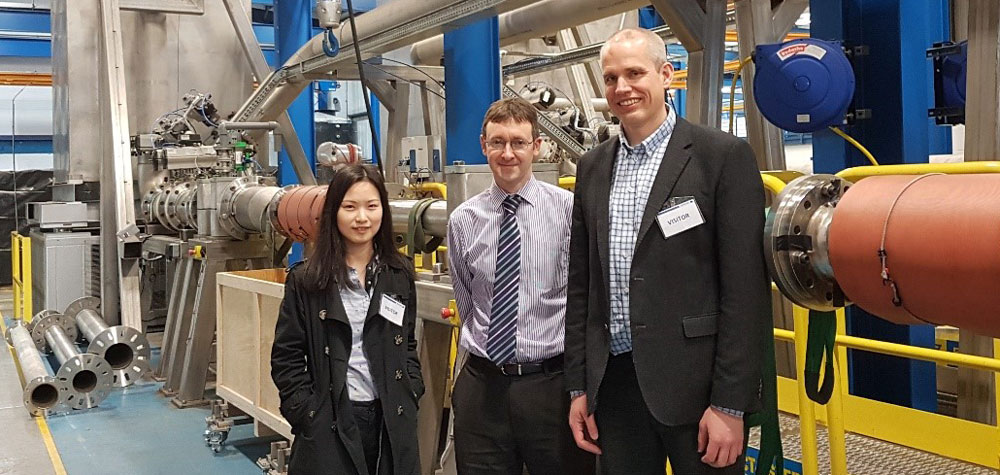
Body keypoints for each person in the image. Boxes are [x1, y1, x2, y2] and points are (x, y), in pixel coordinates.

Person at [565, 28, 770, 474]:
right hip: (614, 387)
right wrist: (578, 386)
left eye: (635, 73)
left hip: (697, 391)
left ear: (666, 75)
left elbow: (746, 292)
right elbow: (581, 286)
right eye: (611, 78)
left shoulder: (721, 157)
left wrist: (730, 405)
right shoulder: (593, 166)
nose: (622, 88)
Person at [447, 97, 595, 474]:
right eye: (497, 142)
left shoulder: (568, 211)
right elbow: (469, 305)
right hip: (483, 388)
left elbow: (582, 297)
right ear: (484, 146)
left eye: (518, 142)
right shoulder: (464, 220)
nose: (507, 153)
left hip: (551, 387)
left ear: (537, 147)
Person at [272, 164, 424, 475]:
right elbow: (286, 359)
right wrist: (307, 413)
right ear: (333, 213)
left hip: (390, 417)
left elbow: (407, 342)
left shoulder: (398, 274)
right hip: (331, 419)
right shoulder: (307, 280)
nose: (362, 218)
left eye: (372, 206)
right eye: (350, 207)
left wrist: (412, 389)